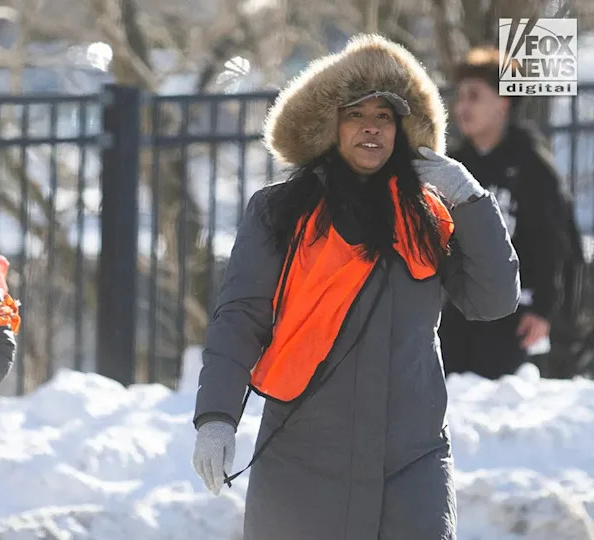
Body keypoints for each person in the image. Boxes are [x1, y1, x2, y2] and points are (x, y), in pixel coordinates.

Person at [191, 35, 519, 539]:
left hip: (412, 466)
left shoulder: (431, 216)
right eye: (355, 114)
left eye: (385, 115)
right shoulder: (279, 211)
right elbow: (240, 318)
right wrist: (216, 418)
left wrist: (469, 197)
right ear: (329, 125)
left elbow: (492, 300)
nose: (371, 126)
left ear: (402, 130)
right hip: (300, 464)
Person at [439, 46, 575, 379]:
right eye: (460, 97)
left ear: (503, 103)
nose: (462, 107)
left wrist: (542, 309)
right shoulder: (453, 166)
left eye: (474, 96)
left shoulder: (533, 166)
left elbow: (553, 243)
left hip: (515, 313)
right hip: (459, 311)